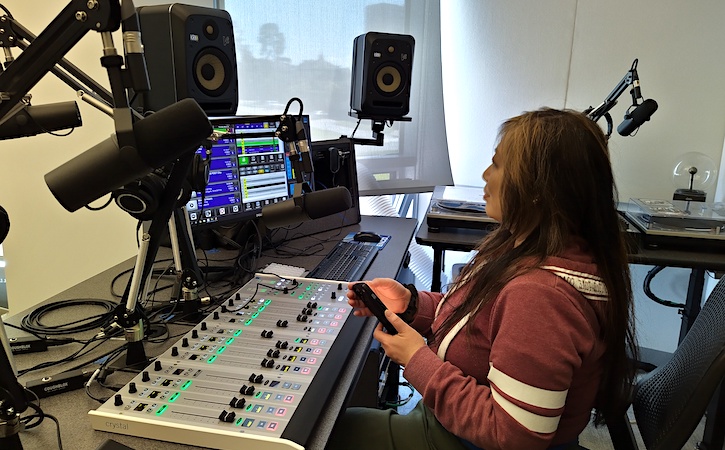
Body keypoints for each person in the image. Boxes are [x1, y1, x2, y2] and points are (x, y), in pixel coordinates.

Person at [326, 108, 638, 450]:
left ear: (537, 188)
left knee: (324, 435)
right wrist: (414, 304)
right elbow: (482, 321)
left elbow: (515, 436)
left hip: (463, 440)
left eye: (498, 165)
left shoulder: (540, 297)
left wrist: (417, 360)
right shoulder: (534, 248)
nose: (486, 175)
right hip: (451, 427)